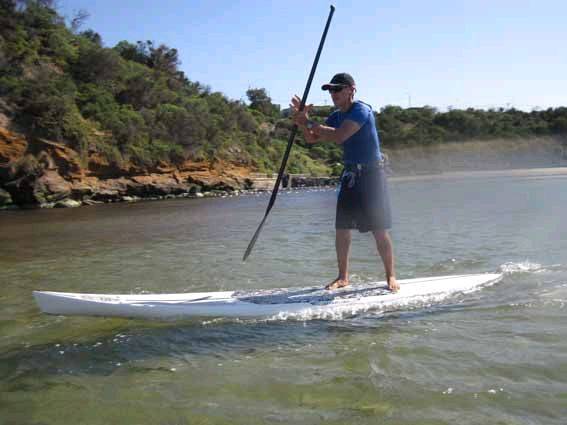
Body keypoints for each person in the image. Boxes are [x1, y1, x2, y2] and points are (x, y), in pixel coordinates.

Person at [290, 72, 399, 292]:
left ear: (351, 90)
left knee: (378, 229)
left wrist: (308, 121)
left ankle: (391, 276)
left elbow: (339, 136)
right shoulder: (336, 115)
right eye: (330, 90)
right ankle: (343, 277)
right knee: (342, 229)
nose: (333, 94)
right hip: (350, 177)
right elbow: (311, 138)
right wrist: (302, 121)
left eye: (337, 89)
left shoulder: (361, 110)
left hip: (372, 176)